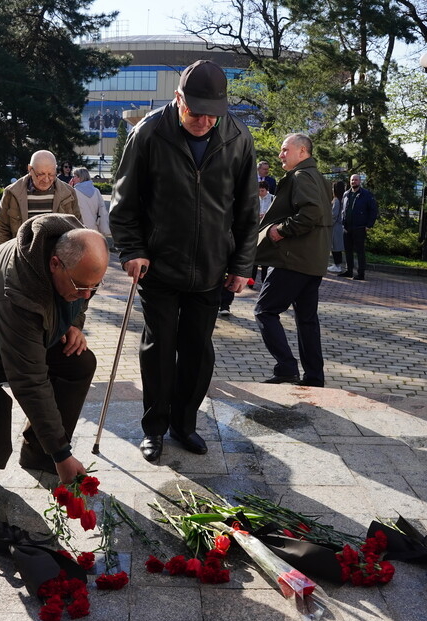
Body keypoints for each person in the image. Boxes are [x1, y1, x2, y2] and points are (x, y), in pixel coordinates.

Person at [110, 59, 259, 463]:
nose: (205, 121)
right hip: (158, 266)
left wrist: (242, 266)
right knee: (159, 349)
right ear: (178, 99)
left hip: (212, 268)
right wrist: (133, 250)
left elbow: (247, 211)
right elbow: (123, 205)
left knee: (198, 352)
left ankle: (184, 424)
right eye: (196, 112)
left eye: (214, 113)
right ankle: (154, 428)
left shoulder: (239, 138)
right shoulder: (149, 133)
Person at [0, 214, 109, 504]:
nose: (87, 294)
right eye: (80, 287)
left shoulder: (74, 250)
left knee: (78, 362)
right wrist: (62, 454)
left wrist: (75, 322)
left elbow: (81, 291)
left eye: (94, 286)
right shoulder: (17, 291)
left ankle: (38, 453)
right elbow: (28, 378)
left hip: (10, 327)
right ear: (54, 264)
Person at [253, 133, 333, 387]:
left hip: (294, 259)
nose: (280, 155)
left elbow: (311, 212)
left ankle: (286, 367)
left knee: (264, 311)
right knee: (307, 320)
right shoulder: (318, 177)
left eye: (285, 149)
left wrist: (281, 231)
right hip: (312, 260)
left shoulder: (301, 176)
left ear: (302, 152)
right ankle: (314, 378)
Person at [0, 150, 81, 245]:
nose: (47, 179)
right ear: (30, 169)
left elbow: (78, 228)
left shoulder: (68, 193)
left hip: (58, 256)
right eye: (41, 174)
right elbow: (3, 229)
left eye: (51, 174)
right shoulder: (12, 192)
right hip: (22, 255)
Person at [220, 180, 272, 314]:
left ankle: (225, 305)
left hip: (234, 241)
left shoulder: (245, 200)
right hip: (219, 242)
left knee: (228, 275)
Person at [337, 173, 378, 281]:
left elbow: (373, 210)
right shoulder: (346, 194)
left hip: (360, 227)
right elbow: (343, 209)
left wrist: (369, 225)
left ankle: (361, 273)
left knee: (360, 251)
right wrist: (342, 222)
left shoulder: (366, 194)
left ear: (360, 181)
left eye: (355, 180)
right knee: (348, 250)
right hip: (347, 227)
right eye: (352, 180)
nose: (353, 182)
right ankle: (349, 271)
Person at [70, 167, 111, 239]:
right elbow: (102, 210)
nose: (73, 178)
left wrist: (69, 188)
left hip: (80, 228)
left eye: (74, 176)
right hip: (95, 228)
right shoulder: (96, 191)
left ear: (80, 178)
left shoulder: (74, 192)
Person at [328, 180, 346, 273]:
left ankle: (337, 265)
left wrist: (328, 224)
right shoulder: (342, 199)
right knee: (337, 246)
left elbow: (333, 215)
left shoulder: (336, 200)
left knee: (335, 246)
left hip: (335, 226)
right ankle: (337, 265)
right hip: (340, 226)